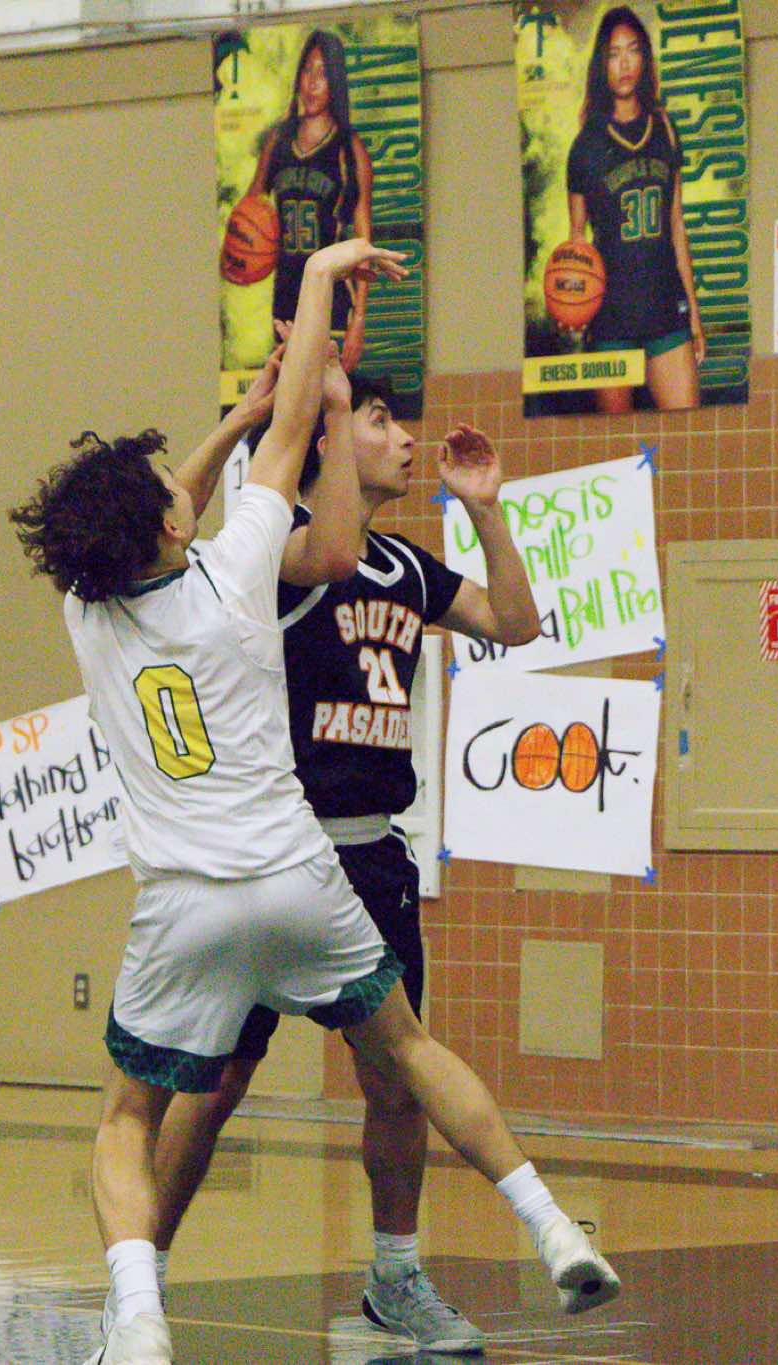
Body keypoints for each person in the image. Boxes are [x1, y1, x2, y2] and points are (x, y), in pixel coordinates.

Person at [9, 238, 618, 1365]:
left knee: (129, 1113)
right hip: (299, 869)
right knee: (397, 1050)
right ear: (170, 527)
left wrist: (243, 416)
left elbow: (196, 494)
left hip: (202, 893)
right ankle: (546, 1222)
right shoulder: (247, 567)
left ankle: (137, 1316)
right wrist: (319, 302)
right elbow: (299, 476)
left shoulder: (87, 613)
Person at [149, 375, 543, 1352]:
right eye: (379, 419)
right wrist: (290, 401)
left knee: (396, 1080)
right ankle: (139, 1276)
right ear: (330, 440)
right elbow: (269, 543)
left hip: (370, 860)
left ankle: (395, 1277)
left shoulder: (404, 566)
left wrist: (483, 511)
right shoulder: (281, 553)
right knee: (214, 1085)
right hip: (271, 852)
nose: (404, 437)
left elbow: (514, 623)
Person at [564, 6, 702, 413]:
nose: (624, 64)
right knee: (617, 444)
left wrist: (693, 314)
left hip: (665, 309)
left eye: (632, 50)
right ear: (601, 65)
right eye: (613, 54)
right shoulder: (585, 145)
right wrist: (570, 302)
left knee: (689, 436)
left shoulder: (665, 129)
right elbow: (576, 242)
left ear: (644, 58)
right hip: (611, 316)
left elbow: (676, 226)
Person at [241, 30, 374, 372]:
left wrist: (359, 318)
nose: (313, 83)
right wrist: (246, 245)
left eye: (323, 73)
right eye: (307, 70)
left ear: (336, 82)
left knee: (328, 395)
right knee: (287, 395)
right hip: (286, 294)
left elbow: (364, 241)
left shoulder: (349, 149)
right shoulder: (279, 140)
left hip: (331, 296)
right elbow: (251, 204)